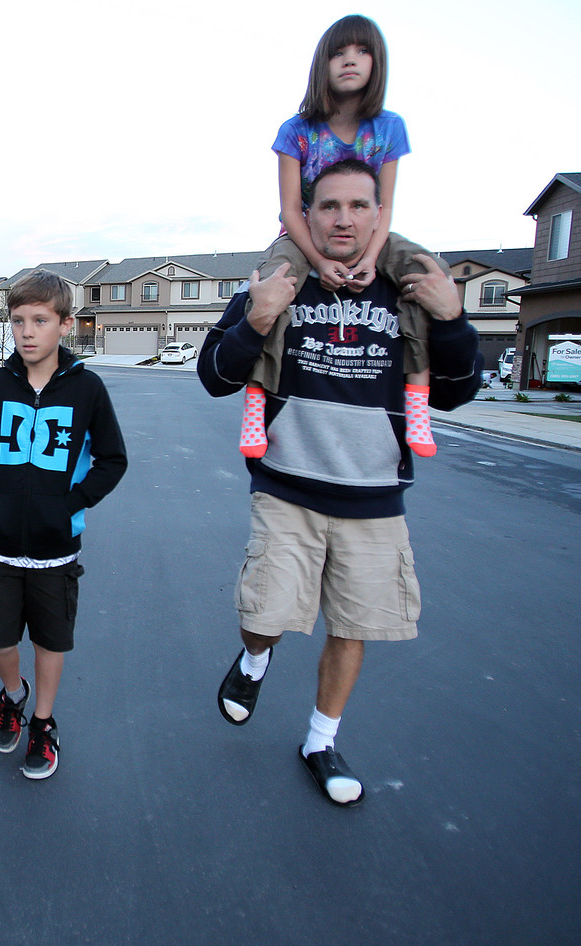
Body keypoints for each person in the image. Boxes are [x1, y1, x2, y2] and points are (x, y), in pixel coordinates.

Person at [197, 159, 481, 805]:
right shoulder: (281, 280)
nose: (344, 218)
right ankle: (255, 659)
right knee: (264, 615)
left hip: (374, 500)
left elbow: (460, 393)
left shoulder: (405, 291)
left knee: (350, 626)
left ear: (381, 214)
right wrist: (256, 319)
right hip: (287, 489)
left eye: (358, 205)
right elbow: (214, 374)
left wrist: (455, 319)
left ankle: (320, 740)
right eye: (328, 206)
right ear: (307, 215)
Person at [240, 13, 442, 461]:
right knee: (271, 285)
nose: (350, 61)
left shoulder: (389, 127)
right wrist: (317, 260)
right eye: (339, 52)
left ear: (376, 63)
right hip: (303, 235)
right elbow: (292, 208)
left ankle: (418, 403)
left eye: (362, 51)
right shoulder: (297, 130)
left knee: (430, 272)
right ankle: (256, 405)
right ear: (322, 64)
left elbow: (384, 205)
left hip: (371, 236)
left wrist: (371, 257)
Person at [0, 270, 127, 780]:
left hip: (57, 550)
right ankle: (13, 695)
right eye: (18, 320)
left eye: (40, 320)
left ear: (65, 324)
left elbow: (112, 459)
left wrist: (72, 504)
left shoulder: (86, 389)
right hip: (2, 546)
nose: (27, 331)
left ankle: (43, 724)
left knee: (50, 641)